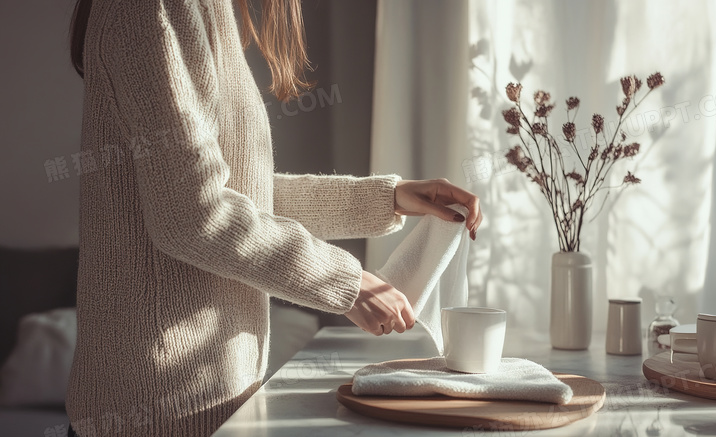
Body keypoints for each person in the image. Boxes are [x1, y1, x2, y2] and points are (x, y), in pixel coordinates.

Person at [65, 0, 482, 436]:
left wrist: (388, 198)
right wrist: (347, 282)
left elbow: (238, 194)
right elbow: (192, 215)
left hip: (209, 403)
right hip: (156, 412)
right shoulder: (153, 7)